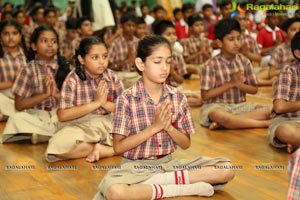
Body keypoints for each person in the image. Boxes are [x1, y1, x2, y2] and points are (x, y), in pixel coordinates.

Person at [93, 35, 234, 200]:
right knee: (116, 193)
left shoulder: (177, 96)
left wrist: (168, 127)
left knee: (226, 168)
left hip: (169, 164)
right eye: (157, 62)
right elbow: (118, 148)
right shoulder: (127, 99)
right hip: (135, 168)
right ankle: (178, 188)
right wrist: (155, 127)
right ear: (141, 64)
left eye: (168, 61)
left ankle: (157, 184)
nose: (165, 68)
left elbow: (186, 144)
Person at [45, 37, 124, 162]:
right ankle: (102, 148)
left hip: (106, 122)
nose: (102, 62)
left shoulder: (112, 76)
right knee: (56, 147)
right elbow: (63, 115)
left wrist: (104, 104)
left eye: (105, 56)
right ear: (82, 59)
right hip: (79, 125)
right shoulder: (73, 79)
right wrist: (95, 103)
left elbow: (124, 110)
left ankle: (107, 150)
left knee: (139, 132)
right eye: (95, 57)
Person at [1, 25, 70, 144]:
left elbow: (73, 102)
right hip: (35, 115)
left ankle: (43, 135)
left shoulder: (65, 68)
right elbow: (19, 105)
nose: (50, 45)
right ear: (34, 46)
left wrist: (56, 95)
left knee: (78, 118)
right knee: (16, 118)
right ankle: (51, 135)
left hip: (59, 114)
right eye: (44, 41)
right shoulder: (27, 70)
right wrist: (44, 95)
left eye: (53, 41)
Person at [200, 19, 271, 130]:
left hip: (240, 105)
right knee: (218, 115)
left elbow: (254, 90)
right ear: (219, 43)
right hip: (217, 106)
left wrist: (240, 85)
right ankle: (263, 124)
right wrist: (230, 84)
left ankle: (227, 123)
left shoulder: (244, 61)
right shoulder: (210, 65)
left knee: (270, 109)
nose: (236, 43)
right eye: (231, 39)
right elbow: (205, 96)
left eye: (238, 38)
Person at [267, 30, 300, 153]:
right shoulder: (289, 72)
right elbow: (279, 107)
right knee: (285, 131)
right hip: (288, 121)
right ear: (298, 53)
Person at [258, 17, 300, 86]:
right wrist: (289, 69)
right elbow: (272, 73)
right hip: (287, 80)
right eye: (293, 30)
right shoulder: (280, 49)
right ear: (285, 33)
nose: (297, 32)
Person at [0, 20, 28, 121]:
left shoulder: (28, 56)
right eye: (6, 34)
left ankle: (12, 116)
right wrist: (13, 82)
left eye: (15, 33)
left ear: (20, 35)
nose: (11, 37)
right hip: (5, 97)